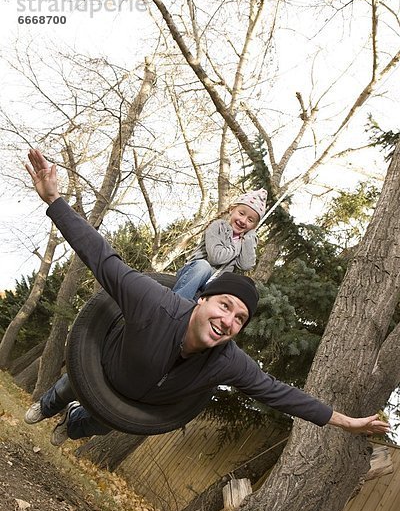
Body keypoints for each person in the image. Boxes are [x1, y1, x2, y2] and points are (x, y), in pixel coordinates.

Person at [24, 148, 389, 446]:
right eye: (225, 305)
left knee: (98, 422)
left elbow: (282, 394)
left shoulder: (227, 361)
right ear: (202, 300)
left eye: (240, 319)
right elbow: (101, 257)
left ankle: (71, 424)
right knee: (74, 381)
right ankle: (48, 404)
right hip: (105, 364)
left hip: (132, 403)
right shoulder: (154, 304)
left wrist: (346, 422)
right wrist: (55, 200)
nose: (228, 321)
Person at [172, 188, 267, 299]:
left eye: (250, 220)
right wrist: (238, 244)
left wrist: (249, 240)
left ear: (254, 227)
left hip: (214, 283)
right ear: (232, 209)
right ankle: (176, 303)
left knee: (232, 286)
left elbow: (245, 265)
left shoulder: (245, 240)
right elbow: (216, 257)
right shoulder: (218, 226)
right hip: (193, 274)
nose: (243, 221)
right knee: (204, 267)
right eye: (241, 213)